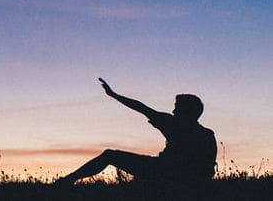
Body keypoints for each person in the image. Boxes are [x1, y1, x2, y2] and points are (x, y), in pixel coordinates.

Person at [55, 78, 217, 186]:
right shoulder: (207, 134)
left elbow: (140, 107)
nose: (173, 110)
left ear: (185, 111)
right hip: (180, 176)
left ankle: (65, 182)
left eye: (177, 106)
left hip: (163, 171)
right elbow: (208, 168)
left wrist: (113, 95)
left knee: (110, 155)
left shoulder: (173, 124)